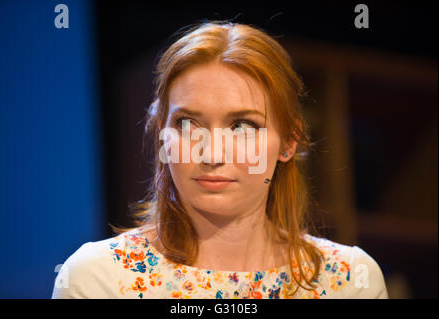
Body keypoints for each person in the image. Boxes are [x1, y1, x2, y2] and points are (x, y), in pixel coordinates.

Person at [52, 21, 388, 299]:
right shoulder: (99, 278)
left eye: (242, 126)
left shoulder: (349, 280)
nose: (211, 154)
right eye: (187, 124)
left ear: (289, 141)